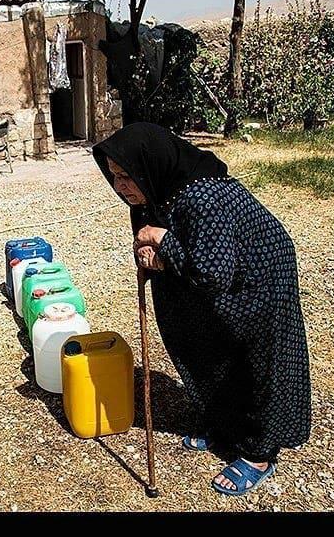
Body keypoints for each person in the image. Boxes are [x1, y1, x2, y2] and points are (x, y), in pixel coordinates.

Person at [92, 122, 311, 496]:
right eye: (113, 177)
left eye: (127, 177)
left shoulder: (202, 196)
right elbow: (164, 248)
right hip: (225, 271)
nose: (120, 187)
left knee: (255, 358)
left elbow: (212, 273)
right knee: (213, 352)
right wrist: (152, 250)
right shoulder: (157, 193)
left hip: (259, 274)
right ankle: (227, 428)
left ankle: (259, 453)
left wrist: (159, 239)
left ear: (150, 166)